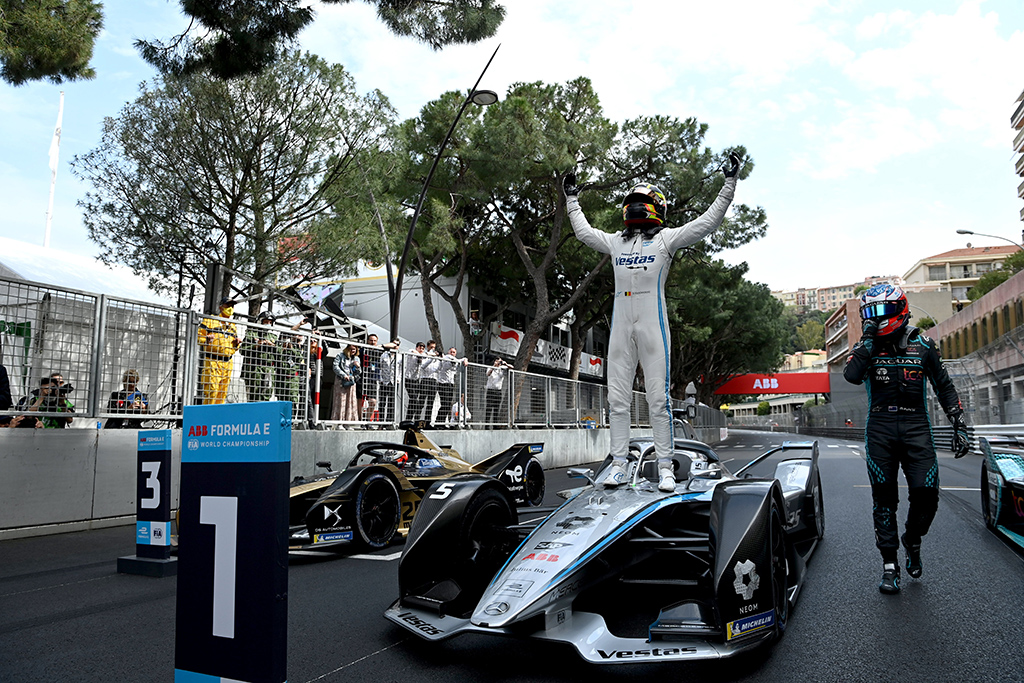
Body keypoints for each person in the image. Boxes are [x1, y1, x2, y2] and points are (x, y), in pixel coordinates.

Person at [563, 155, 739, 491]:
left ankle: (665, 466)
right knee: (616, 399)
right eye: (632, 204)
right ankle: (618, 464)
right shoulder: (616, 242)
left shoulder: (666, 240)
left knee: (658, 399)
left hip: (652, 324)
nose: (635, 210)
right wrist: (572, 199)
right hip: (621, 326)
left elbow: (707, 222)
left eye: (642, 204)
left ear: (656, 208)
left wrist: (729, 183)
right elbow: (584, 233)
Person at [844, 284, 970, 594]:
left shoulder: (923, 344)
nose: (874, 319)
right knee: (884, 502)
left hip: (917, 428)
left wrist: (959, 424)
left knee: (927, 496)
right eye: (868, 314)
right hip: (880, 431)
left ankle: (912, 540)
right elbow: (851, 375)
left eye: (880, 312)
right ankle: (890, 566)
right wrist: (869, 338)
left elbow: (944, 385)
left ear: (899, 309)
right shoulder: (866, 347)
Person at [198, 297, 240, 404]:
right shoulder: (210, 320)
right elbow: (198, 336)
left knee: (222, 392)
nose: (230, 308)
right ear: (221, 307)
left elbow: (233, 348)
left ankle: (217, 419)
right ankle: (207, 418)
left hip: (227, 363)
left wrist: (236, 345)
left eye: (232, 306)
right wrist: (206, 339)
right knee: (212, 390)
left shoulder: (233, 326)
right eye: (227, 305)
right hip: (213, 361)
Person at [240, 311, 278, 402]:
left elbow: (279, 353)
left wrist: (272, 345)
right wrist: (256, 345)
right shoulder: (252, 333)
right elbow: (242, 349)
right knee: (254, 395)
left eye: (270, 322)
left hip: (268, 368)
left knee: (267, 393)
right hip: (254, 368)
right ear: (260, 321)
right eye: (265, 321)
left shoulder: (273, 336)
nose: (268, 324)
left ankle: (264, 414)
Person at [275, 331, 305, 420]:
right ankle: (280, 419)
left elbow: (300, 358)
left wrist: (292, 349)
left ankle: (290, 420)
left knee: (293, 399)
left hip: (293, 378)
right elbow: (276, 357)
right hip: (282, 377)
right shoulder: (279, 346)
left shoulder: (297, 347)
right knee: (282, 399)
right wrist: (282, 349)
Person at [436, 346, 469, 425]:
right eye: (451, 352)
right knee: (445, 403)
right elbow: (451, 360)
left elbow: (461, 359)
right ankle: (438, 422)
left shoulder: (455, 360)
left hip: (450, 384)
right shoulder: (446, 358)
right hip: (443, 383)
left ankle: (442, 423)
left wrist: (465, 359)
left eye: (454, 352)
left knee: (448, 404)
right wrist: (461, 359)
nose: (452, 353)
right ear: (448, 352)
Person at [331, 344, 361, 425]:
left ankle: (348, 422)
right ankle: (339, 422)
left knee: (350, 401)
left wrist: (358, 367)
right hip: (341, 381)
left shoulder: (356, 358)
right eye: (351, 349)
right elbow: (335, 366)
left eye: (354, 349)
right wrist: (343, 375)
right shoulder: (340, 356)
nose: (352, 351)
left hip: (351, 382)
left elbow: (359, 372)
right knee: (341, 401)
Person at [361, 334, 383, 424]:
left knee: (373, 402)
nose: (373, 342)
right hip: (362, 378)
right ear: (367, 341)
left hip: (373, 379)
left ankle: (367, 422)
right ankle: (360, 421)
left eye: (374, 341)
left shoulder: (379, 351)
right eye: (371, 340)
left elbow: (393, 345)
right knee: (360, 401)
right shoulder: (363, 349)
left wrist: (380, 346)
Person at [419, 340, 442, 424]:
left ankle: (427, 422)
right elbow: (423, 366)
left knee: (430, 403)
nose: (433, 349)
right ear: (428, 347)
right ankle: (417, 420)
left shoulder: (436, 359)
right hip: (425, 379)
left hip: (433, 380)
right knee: (421, 401)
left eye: (434, 347)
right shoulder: (425, 355)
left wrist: (439, 359)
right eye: (431, 347)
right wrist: (432, 358)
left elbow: (439, 369)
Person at [404, 342, 427, 422]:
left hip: (416, 380)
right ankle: (410, 418)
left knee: (412, 401)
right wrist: (420, 354)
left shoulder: (422, 357)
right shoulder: (412, 352)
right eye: (420, 348)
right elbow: (412, 351)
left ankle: (409, 419)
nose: (421, 350)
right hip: (408, 379)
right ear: (416, 347)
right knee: (414, 399)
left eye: (423, 348)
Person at [379, 339, 401, 425]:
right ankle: (381, 422)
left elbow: (402, 369)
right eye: (394, 344)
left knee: (392, 403)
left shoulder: (400, 356)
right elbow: (380, 367)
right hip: (384, 381)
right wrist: (381, 379)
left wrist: (398, 379)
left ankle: (389, 422)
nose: (395, 346)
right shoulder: (384, 355)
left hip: (394, 382)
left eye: (397, 345)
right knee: (382, 402)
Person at [485, 356, 509, 427]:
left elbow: (512, 367)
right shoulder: (490, 368)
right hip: (490, 391)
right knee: (488, 409)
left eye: (500, 362)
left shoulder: (502, 370)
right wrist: (494, 366)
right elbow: (488, 374)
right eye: (497, 361)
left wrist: (505, 364)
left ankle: (495, 425)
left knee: (496, 409)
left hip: (498, 391)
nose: (499, 363)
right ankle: (487, 425)